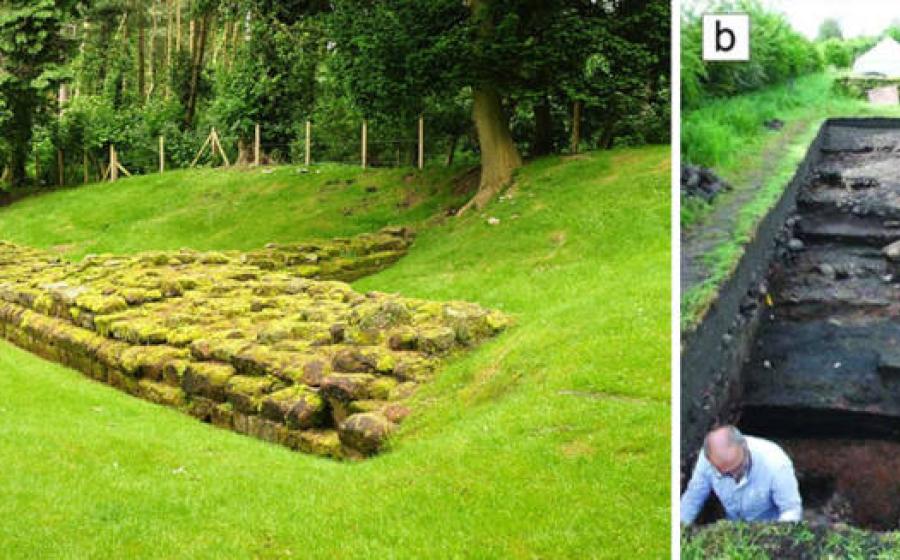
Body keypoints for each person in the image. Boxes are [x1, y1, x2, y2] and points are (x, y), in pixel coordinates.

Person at [680, 425, 803, 525]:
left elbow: (791, 510)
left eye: (738, 467)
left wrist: (775, 539)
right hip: (732, 529)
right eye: (726, 474)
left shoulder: (776, 464)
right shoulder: (706, 459)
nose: (734, 476)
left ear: (744, 446)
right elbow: (693, 498)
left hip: (769, 528)